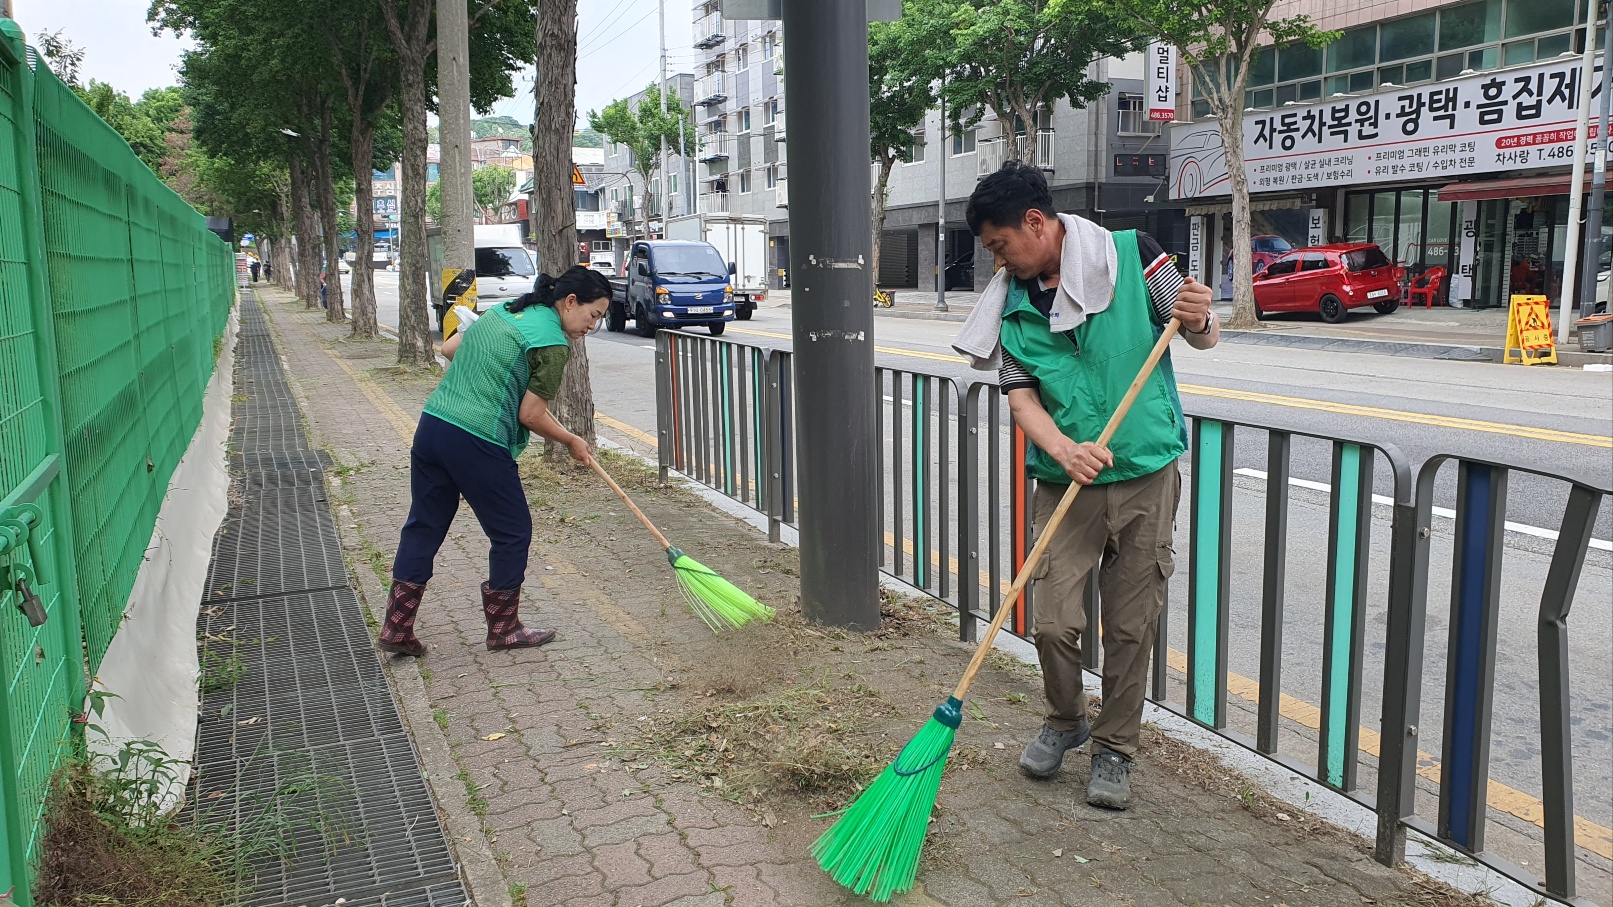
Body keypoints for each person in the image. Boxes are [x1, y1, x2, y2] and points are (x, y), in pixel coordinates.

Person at [952, 161, 1217, 810]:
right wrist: (1064, 450)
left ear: (1034, 223)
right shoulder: (1011, 308)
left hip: (1146, 475)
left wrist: (1202, 316)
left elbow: (1199, 333)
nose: (996, 259)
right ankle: (1065, 718)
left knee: (1131, 628)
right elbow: (1021, 400)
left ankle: (1114, 749)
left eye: (998, 244)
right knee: (1052, 622)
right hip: (1063, 483)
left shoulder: (1133, 256)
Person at [380, 266, 610, 657]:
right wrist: (572, 439)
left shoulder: (506, 309)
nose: (593, 325)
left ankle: (397, 627)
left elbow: (449, 349)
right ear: (571, 302)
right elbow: (531, 415)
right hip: (477, 438)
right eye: (593, 315)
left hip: (433, 425)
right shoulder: (553, 344)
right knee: (512, 531)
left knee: (424, 524)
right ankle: (504, 629)